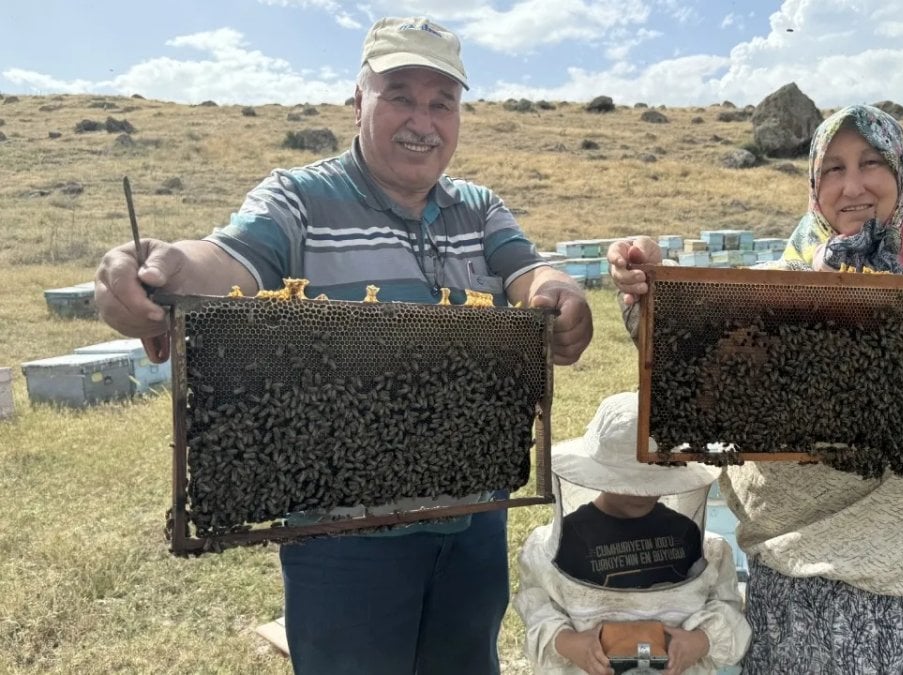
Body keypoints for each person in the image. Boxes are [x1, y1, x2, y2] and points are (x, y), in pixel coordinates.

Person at [95, 16, 593, 675]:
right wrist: (160, 274)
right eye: (400, 96)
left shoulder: (479, 209)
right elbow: (221, 263)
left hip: (472, 523)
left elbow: (529, 271)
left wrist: (559, 290)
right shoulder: (296, 201)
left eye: (442, 102)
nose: (423, 119)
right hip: (342, 537)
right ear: (358, 101)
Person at [607, 104, 903, 673]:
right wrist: (653, 287)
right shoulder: (767, 292)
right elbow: (690, 366)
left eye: (871, 162)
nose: (851, 185)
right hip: (801, 588)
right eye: (832, 168)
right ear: (813, 183)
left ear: (902, 173)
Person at [514, 391, 751, 675]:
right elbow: (538, 607)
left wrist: (700, 641)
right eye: (629, 483)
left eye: (651, 481)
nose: (641, 494)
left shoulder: (691, 537)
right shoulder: (564, 543)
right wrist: (569, 643)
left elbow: (726, 605)